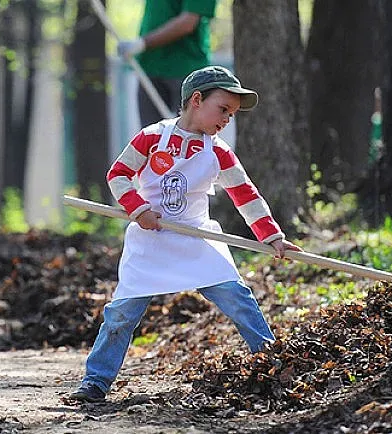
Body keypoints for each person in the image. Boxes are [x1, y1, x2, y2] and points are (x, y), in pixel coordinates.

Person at [68, 66, 302, 402]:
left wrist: (272, 236)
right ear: (196, 100)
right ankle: (95, 381)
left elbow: (245, 195)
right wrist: (138, 209)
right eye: (223, 110)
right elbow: (118, 175)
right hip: (150, 239)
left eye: (232, 114)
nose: (227, 120)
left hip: (198, 239)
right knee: (121, 314)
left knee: (239, 299)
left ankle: (273, 364)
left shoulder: (219, 151)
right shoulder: (151, 137)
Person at [118, 0, 218, 127]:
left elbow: (189, 21)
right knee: (151, 138)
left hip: (187, 70)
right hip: (151, 67)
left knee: (190, 135)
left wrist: (142, 43)